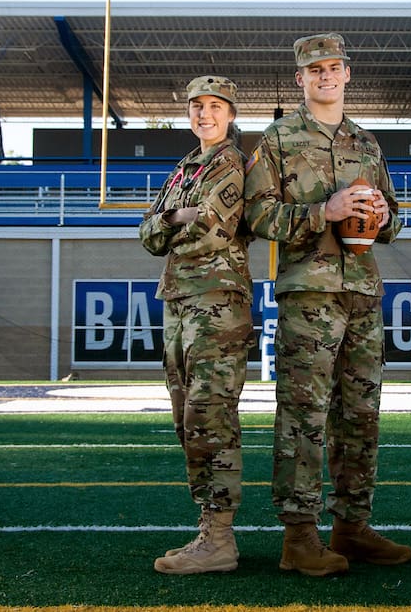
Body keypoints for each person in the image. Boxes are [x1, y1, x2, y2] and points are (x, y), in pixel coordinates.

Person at [244, 33, 411, 577]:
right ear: (300, 78)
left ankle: (352, 526)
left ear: (347, 75)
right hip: (309, 294)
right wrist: (325, 210)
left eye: (334, 67)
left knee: (361, 415)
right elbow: (257, 218)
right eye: (314, 69)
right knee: (304, 415)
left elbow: (394, 215)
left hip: (362, 291)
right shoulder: (277, 138)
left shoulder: (366, 143)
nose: (325, 76)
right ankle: (299, 537)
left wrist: (384, 218)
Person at [138, 75, 253, 575]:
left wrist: (175, 221)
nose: (204, 114)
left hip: (216, 302)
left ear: (229, 114)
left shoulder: (230, 162)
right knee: (186, 413)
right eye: (196, 106)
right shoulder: (185, 167)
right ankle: (208, 528)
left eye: (214, 106)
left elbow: (211, 230)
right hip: (180, 300)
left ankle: (219, 538)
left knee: (209, 413)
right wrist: (174, 217)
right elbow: (146, 232)